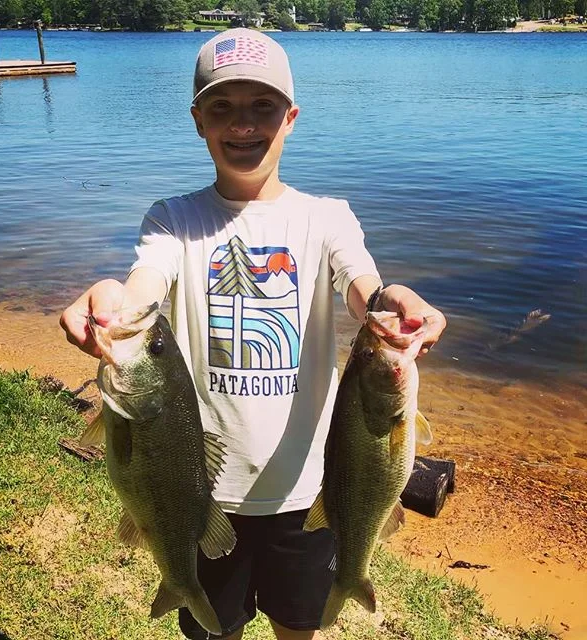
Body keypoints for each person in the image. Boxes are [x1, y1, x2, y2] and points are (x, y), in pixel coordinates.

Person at [60, 28, 446, 640]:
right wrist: (114, 299)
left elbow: (363, 288)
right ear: (198, 121)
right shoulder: (173, 220)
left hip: (307, 492)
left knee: (299, 626)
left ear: (290, 117)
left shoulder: (327, 217)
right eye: (223, 108)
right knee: (217, 630)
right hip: (203, 492)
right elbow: (144, 287)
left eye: (261, 106)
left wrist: (391, 302)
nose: (243, 125)